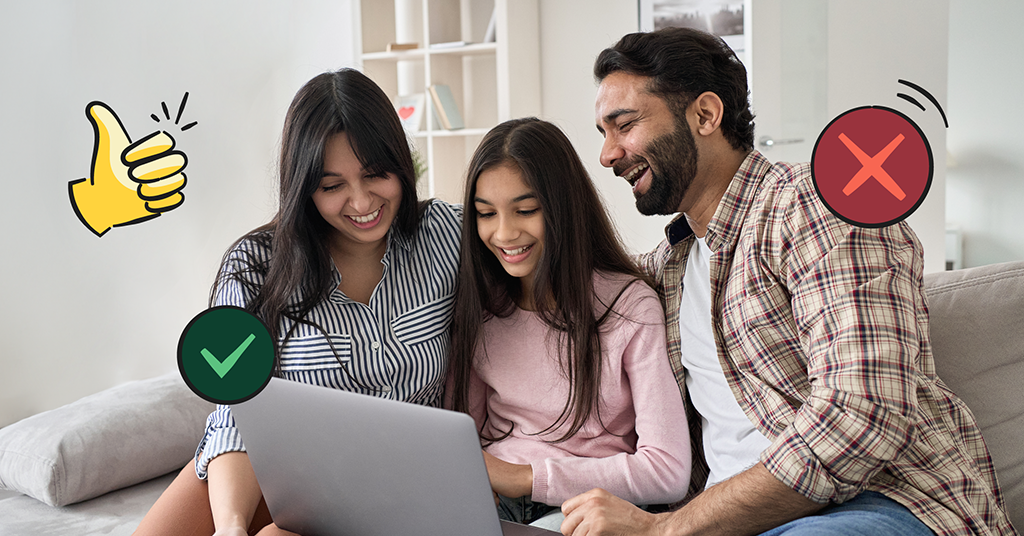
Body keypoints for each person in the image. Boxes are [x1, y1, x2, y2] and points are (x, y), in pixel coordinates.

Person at [560, 28, 1017, 536]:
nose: (607, 154)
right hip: (728, 522)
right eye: (602, 133)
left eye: (623, 125)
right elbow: (556, 285)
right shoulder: (669, 267)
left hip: (878, 504)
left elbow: (864, 413)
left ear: (705, 115)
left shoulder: (816, 204)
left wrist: (666, 530)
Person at [134, 68, 462, 536]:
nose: (361, 200)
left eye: (375, 174)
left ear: (401, 163)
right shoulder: (254, 265)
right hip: (276, 471)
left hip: (397, 481)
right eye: (332, 187)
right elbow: (237, 409)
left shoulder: (447, 235)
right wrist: (229, 525)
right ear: (304, 188)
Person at [447, 117, 691, 531]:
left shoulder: (628, 307)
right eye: (486, 214)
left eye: (525, 210)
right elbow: (462, 436)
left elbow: (667, 471)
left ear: (562, 208)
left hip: (584, 506)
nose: (504, 233)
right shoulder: (481, 308)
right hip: (491, 502)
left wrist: (524, 478)